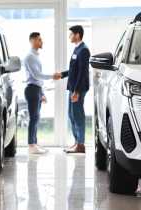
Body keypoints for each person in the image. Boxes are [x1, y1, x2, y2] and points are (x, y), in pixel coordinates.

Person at [55, 25, 91, 153]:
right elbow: (74, 70)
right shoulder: (77, 49)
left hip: (78, 88)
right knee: (71, 115)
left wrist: (76, 91)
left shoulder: (84, 50)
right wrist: (62, 74)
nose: (69, 37)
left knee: (78, 115)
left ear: (77, 35)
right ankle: (76, 142)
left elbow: (82, 73)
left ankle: (80, 145)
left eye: (71, 34)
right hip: (73, 87)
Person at [24, 32, 60, 154]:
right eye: (39, 40)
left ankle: (34, 143)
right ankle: (31, 145)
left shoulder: (36, 56)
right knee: (33, 118)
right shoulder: (29, 57)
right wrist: (52, 76)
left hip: (37, 89)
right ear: (33, 41)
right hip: (32, 89)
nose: (41, 42)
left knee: (36, 117)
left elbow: (38, 78)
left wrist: (42, 93)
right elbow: (36, 75)